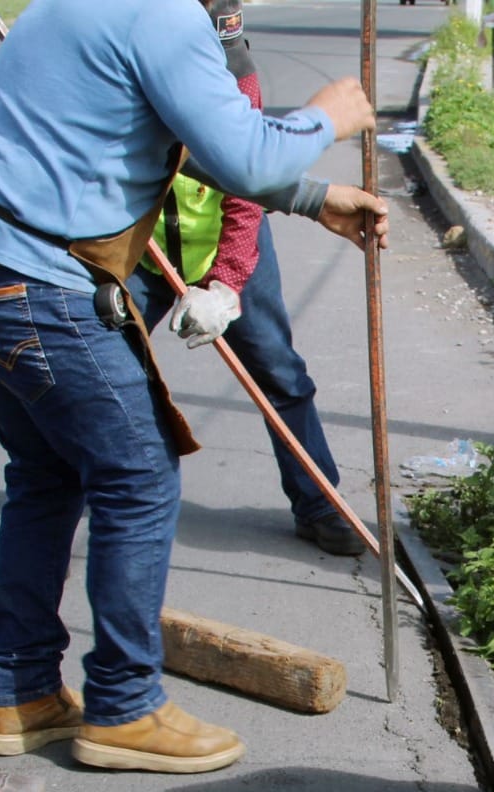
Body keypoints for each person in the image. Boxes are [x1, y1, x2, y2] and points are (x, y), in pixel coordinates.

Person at [0, 0, 381, 774]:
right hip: (33, 280)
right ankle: (125, 708)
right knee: (138, 475)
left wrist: (312, 197)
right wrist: (324, 120)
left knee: (48, 472)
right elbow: (244, 157)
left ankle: (24, 694)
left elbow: (178, 140)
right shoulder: (162, 17)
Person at [129, 0, 364, 557]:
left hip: (231, 245)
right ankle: (77, 513)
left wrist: (227, 284)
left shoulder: (239, 78)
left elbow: (248, 187)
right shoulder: (138, 68)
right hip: (141, 247)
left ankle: (319, 502)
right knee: (101, 379)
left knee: (279, 373)